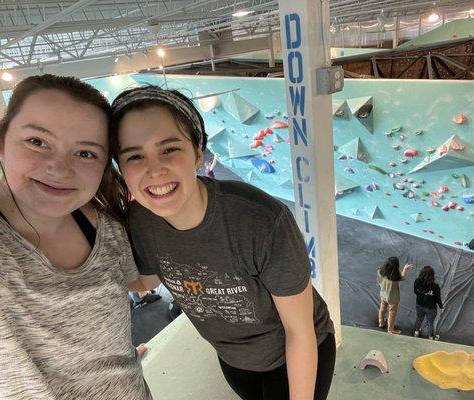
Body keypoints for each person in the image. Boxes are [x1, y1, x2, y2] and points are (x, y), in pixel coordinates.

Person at [109, 85, 336, 400]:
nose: (154, 169)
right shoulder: (141, 220)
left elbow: (299, 332)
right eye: (135, 156)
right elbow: (148, 278)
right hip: (234, 360)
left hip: (293, 353)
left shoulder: (260, 222)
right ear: (122, 169)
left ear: (198, 154)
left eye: (169, 149)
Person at [0, 74, 151, 399]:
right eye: (37, 142)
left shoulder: (108, 231)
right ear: (2, 142)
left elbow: (139, 282)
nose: (59, 168)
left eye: (86, 153)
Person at [377, 257, 413, 334]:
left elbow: (379, 281)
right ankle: (390, 329)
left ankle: (381, 322)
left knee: (382, 308)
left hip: (383, 294)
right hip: (393, 298)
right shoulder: (395, 277)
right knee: (392, 313)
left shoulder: (380, 271)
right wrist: (405, 269)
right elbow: (402, 277)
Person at [413, 266, 443, 340]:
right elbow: (437, 298)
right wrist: (441, 307)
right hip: (431, 308)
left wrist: (422, 294)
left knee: (419, 318)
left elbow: (415, 291)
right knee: (430, 322)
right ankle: (430, 337)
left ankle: (416, 332)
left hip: (419, 304)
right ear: (432, 275)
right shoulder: (435, 286)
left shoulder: (417, 281)